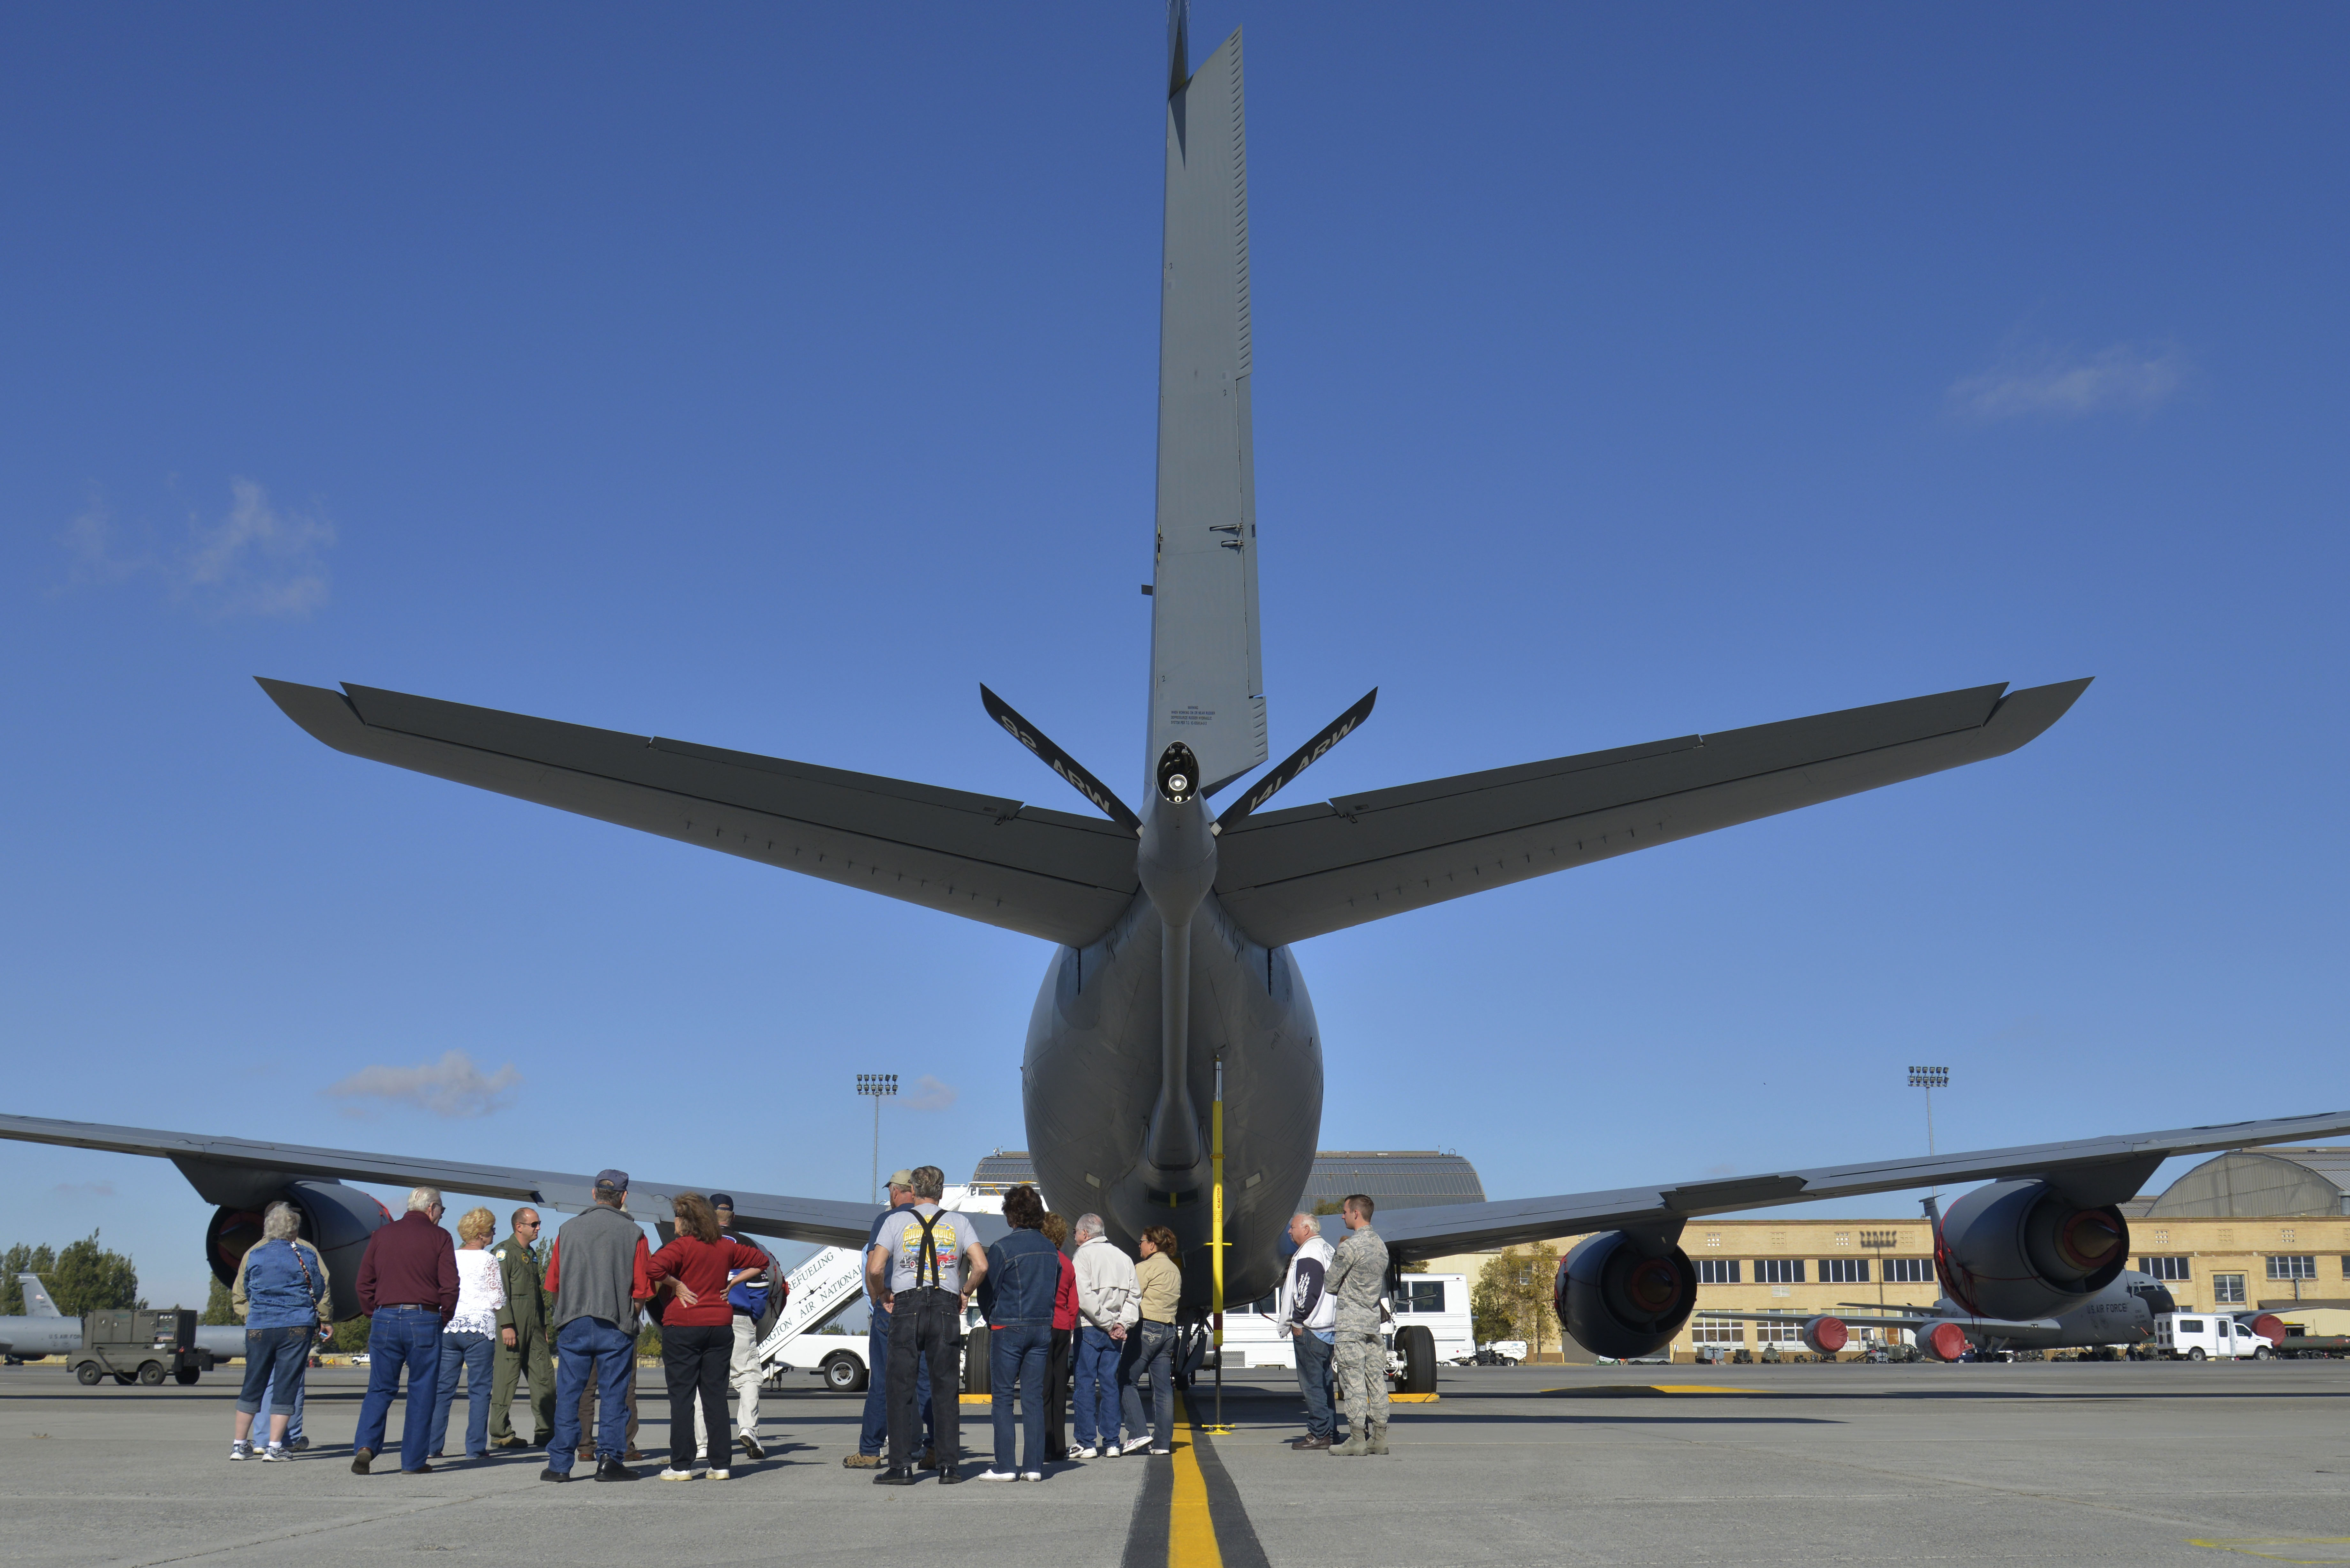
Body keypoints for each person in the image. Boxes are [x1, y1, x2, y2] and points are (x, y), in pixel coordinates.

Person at [866, 1165, 987, 1485]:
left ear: (914, 1191)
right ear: (942, 1192)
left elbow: (876, 1267)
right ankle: (949, 1467)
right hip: (946, 1307)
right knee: (945, 1389)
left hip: (907, 1306)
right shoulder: (959, 1222)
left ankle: (901, 1466)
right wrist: (965, 1292)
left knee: (899, 1387)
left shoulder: (895, 1221)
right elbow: (981, 1265)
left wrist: (882, 1294)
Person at [644, 1192, 769, 1481]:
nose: (674, 1221)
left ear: (688, 1220)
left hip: (684, 1326)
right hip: (720, 1326)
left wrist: (676, 1285)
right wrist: (733, 1281)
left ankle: (681, 1465)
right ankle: (721, 1464)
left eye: (677, 1216)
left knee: (683, 1398)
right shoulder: (724, 1247)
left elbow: (652, 1268)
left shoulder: (680, 1247)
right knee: (715, 1396)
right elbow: (760, 1262)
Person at [542, 1169, 654, 1483]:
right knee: (615, 1395)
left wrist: (563, 1312)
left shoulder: (568, 1229)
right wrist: (631, 1317)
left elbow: (554, 1282)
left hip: (574, 1320)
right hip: (615, 1322)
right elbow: (642, 1288)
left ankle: (560, 1464)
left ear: (594, 1194)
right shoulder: (634, 1234)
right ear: (623, 1197)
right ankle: (609, 1459)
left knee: (570, 1394)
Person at [351, 1187, 459, 1475]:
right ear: (433, 1208)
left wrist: (374, 1312)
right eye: (442, 1211)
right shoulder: (441, 1237)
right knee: (422, 1390)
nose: (441, 1216)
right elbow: (449, 1286)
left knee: (380, 1388)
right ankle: (412, 1461)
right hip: (423, 1317)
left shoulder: (382, 1235)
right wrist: (444, 1316)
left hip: (385, 1316)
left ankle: (365, 1447)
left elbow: (364, 1282)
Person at [228, 1202, 329, 1462]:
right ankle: (275, 1447)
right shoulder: (306, 1254)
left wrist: (254, 1313)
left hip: (259, 1326)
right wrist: (320, 1316)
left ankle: (239, 1445)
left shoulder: (255, 1254)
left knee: (253, 1384)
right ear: (294, 1229)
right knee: (286, 1386)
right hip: (295, 1326)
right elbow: (319, 1288)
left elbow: (243, 1289)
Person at [846, 1172, 933, 1471]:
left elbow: (875, 1266)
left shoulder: (887, 1221)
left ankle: (871, 1450)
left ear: (898, 1192)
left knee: (884, 1381)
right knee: (925, 1381)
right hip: (929, 1306)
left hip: (894, 1307)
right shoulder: (937, 1220)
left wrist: (878, 1297)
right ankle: (933, 1448)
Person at [687, 1195, 777, 1465]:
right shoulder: (747, 1245)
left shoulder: (695, 1243)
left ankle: (703, 1445)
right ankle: (748, 1428)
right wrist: (754, 1315)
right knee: (748, 1376)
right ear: (732, 1217)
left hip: (702, 1319)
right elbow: (762, 1286)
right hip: (738, 1317)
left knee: (705, 1383)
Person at [975, 1184, 1057, 1481]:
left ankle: (1006, 1466)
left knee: (1003, 1398)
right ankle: (1034, 1466)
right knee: (1034, 1398)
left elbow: (988, 1291)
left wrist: (991, 1318)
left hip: (1008, 1325)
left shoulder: (1002, 1248)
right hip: (1042, 1326)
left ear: (1012, 1216)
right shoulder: (1051, 1249)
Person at [425, 1206, 506, 1463]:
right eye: (492, 1230)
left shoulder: (449, 1256)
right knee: (480, 1391)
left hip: (449, 1326)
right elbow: (497, 1297)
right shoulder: (488, 1260)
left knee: (443, 1390)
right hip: (479, 1328)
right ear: (481, 1234)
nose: (494, 1233)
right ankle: (475, 1448)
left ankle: (433, 1445)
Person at [1324, 1193, 1391, 1456]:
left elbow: (1330, 1283)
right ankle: (1380, 1437)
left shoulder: (1350, 1247)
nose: (1342, 1216)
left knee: (1353, 1382)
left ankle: (1356, 1438)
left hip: (1351, 1324)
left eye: (1345, 1211)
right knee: (1376, 1380)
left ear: (1356, 1214)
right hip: (1372, 1325)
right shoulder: (1381, 1247)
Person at [1069, 1213, 1138, 1459]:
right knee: (1110, 1385)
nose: (1074, 1236)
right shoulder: (1124, 1257)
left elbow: (1084, 1297)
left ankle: (1087, 1443)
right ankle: (1112, 1443)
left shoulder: (1083, 1256)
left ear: (1086, 1234)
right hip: (1117, 1331)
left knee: (1085, 1385)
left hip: (1090, 1327)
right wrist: (1121, 1324)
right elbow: (1134, 1297)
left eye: (1076, 1231)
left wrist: (1108, 1324)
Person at [490, 1207, 554, 1449]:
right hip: (513, 1326)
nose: (539, 1228)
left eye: (539, 1224)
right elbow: (500, 1292)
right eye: (534, 1224)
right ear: (519, 1227)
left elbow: (536, 1294)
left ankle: (547, 1431)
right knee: (506, 1380)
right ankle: (501, 1433)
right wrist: (506, 1325)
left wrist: (543, 1325)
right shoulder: (504, 1253)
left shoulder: (531, 1254)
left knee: (545, 1379)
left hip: (535, 1327)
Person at [1118, 1226, 1181, 1457]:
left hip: (1147, 1327)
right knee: (1164, 1389)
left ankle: (1138, 1432)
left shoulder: (1144, 1268)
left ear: (1153, 1245)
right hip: (1169, 1331)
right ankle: (1163, 1443)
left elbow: (1131, 1296)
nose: (1140, 1246)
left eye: (1142, 1241)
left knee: (1126, 1379)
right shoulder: (1175, 1269)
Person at [1278, 1213, 1338, 1450]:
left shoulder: (1309, 1252)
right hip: (1328, 1326)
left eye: (1292, 1227)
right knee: (1324, 1384)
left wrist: (1297, 1322)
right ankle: (1330, 1431)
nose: (1289, 1232)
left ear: (1305, 1228)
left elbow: (1308, 1290)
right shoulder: (1327, 1248)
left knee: (1312, 1384)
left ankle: (1318, 1434)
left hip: (1312, 1328)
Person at [1037, 1212, 1079, 1462]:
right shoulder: (1068, 1263)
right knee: (1060, 1387)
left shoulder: (1042, 1260)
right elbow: (1073, 1303)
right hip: (1064, 1327)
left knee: (1043, 1389)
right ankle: (1059, 1446)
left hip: (1044, 1325)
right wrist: (1070, 1324)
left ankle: (1044, 1443)